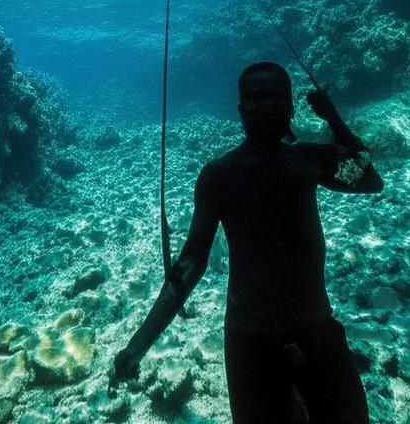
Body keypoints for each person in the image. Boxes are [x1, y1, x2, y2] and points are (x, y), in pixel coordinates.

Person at [111, 61, 384, 423]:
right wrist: (138, 345)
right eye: (257, 97)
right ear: (241, 110)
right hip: (250, 335)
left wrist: (333, 117)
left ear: (290, 106)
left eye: (276, 96)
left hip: (315, 322)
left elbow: (369, 179)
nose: (267, 104)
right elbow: (190, 265)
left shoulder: (310, 159)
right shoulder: (219, 176)